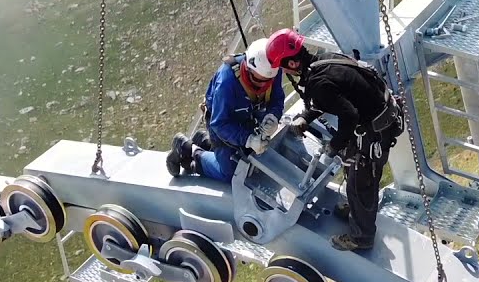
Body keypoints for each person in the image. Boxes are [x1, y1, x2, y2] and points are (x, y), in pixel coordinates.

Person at [266, 28, 404, 251]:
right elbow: (333, 96)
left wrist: (333, 147)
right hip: (380, 117)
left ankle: (362, 237)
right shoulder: (323, 60)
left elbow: (349, 115)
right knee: (356, 174)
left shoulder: (317, 82)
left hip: (372, 131)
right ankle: (356, 207)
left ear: (292, 64)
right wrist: (306, 117)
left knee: (361, 179)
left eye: (282, 66)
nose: (283, 71)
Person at [167, 38, 285, 182]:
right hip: (223, 122)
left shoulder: (272, 70)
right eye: (259, 81)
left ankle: (204, 141)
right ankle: (189, 151)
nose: (263, 86)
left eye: (267, 81)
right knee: (232, 172)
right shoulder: (227, 82)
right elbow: (220, 124)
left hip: (248, 114)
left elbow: (277, 98)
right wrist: (248, 139)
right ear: (247, 68)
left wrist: (273, 115)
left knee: (259, 156)